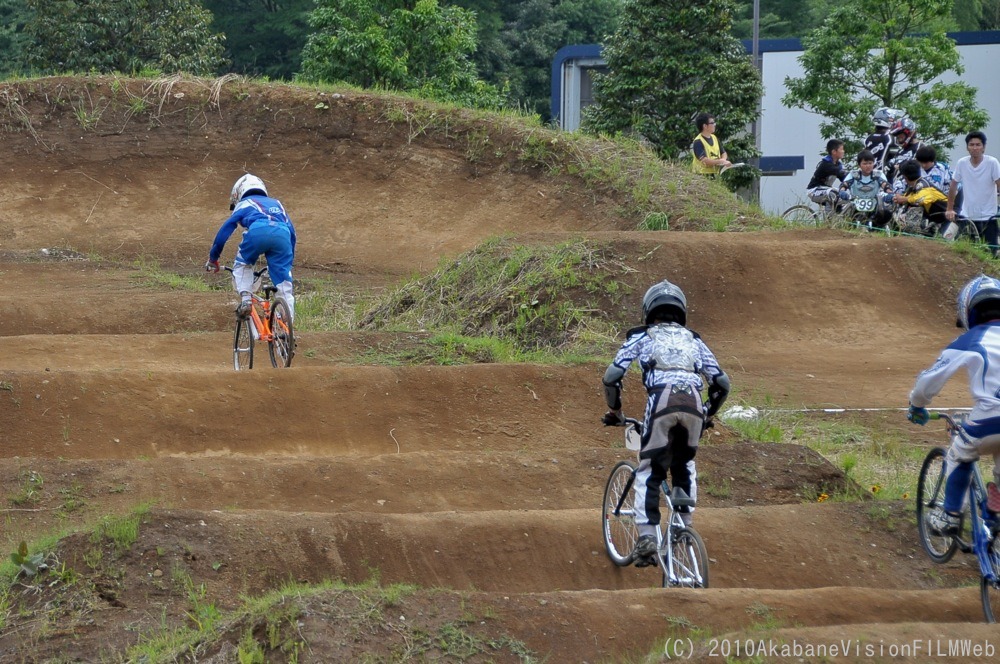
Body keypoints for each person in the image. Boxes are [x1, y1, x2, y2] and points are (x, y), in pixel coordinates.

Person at [601, 280, 730, 567]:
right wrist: (707, 415)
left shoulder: (642, 336)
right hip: (694, 405)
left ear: (649, 309)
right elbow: (721, 382)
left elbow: (612, 376)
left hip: (662, 401)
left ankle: (647, 536)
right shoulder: (694, 340)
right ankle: (683, 527)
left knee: (650, 468)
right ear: (681, 310)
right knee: (684, 464)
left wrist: (616, 411)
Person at [908, 274, 1000, 535]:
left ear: (968, 311)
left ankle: (949, 515)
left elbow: (929, 381)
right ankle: (994, 519)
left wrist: (917, 405)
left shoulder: (970, 340)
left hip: (991, 418)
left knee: (961, 452)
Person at [205, 174, 298, 320]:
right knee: (283, 280)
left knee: (243, 265)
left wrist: (213, 257)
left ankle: (246, 301)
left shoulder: (244, 204)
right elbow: (292, 232)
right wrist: (288, 260)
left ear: (239, 192)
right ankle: (287, 324)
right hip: (283, 234)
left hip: (258, 231)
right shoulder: (277, 204)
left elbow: (225, 230)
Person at [947, 131, 1000, 258]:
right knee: (962, 254)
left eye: (978, 145)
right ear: (967, 147)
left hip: (988, 216)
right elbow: (953, 185)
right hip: (967, 216)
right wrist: (949, 208)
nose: (975, 148)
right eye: (971, 145)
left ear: (984, 147)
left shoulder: (992, 162)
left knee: (992, 254)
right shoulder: (962, 163)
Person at [892, 160, 951, 237]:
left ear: (905, 177)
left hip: (947, 220)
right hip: (935, 220)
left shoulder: (924, 185)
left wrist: (904, 199)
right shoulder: (915, 185)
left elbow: (921, 199)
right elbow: (908, 197)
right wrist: (899, 199)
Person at [839, 149, 892, 228]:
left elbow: (885, 185)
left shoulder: (878, 175)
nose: (868, 166)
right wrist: (842, 191)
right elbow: (845, 184)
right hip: (855, 204)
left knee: (887, 212)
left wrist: (890, 193)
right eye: (865, 163)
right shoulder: (853, 174)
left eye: (870, 163)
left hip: (875, 205)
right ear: (859, 165)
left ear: (873, 164)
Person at [806, 139, 847, 208]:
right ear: (834, 152)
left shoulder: (838, 164)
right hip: (814, 191)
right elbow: (841, 173)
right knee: (833, 194)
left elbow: (844, 178)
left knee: (846, 197)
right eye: (841, 149)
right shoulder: (826, 164)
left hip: (826, 189)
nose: (843, 151)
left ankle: (839, 214)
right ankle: (829, 218)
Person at [691, 113, 731, 177]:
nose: (715, 125)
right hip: (701, 175)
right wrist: (719, 161)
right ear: (705, 126)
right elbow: (704, 161)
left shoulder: (714, 138)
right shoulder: (698, 141)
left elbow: (723, 153)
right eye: (712, 123)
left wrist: (723, 160)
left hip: (715, 174)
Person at [887, 117, 921, 190]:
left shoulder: (920, 148)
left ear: (908, 132)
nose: (898, 137)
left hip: (913, 192)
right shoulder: (900, 151)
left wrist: (901, 167)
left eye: (900, 133)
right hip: (896, 192)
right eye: (896, 134)